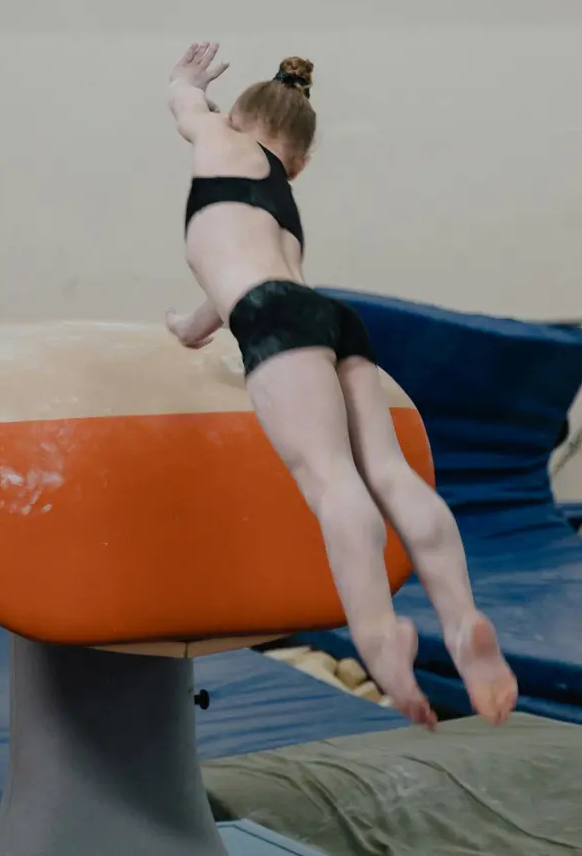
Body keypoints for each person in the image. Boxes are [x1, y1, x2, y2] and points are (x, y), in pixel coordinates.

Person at [166, 42, 518, 729]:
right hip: (329, 317)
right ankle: (461, 620)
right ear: (298, 163)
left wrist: (186, 82)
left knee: (332, 482)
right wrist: (187, 326)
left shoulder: (217, 134)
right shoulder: (280, 209)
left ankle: (379, 638)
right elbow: (224, 292)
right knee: (389, 473)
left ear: (234, 117)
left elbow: (185, 107)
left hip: (273, 318)